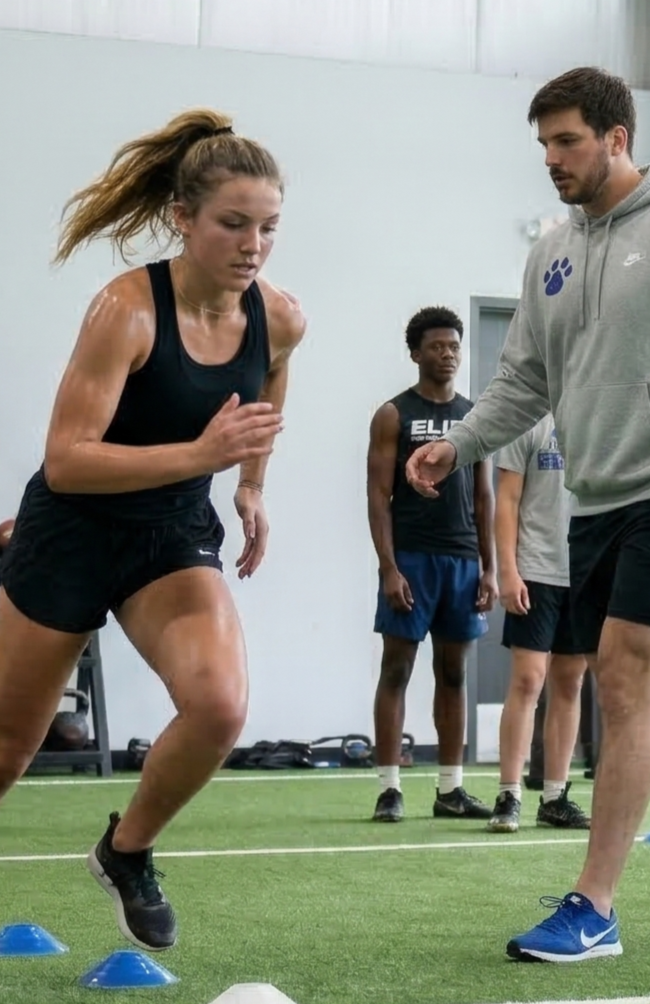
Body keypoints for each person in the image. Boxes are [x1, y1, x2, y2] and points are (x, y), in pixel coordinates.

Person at [0, 109, 305, 989]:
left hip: (169, 536)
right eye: (232, 222)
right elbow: (69, 463)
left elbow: (264, 403)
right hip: (70, 535)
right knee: (2, 752)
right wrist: (199, 456)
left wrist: (251, 486)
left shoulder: (280, 318)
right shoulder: (125, 310)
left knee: (221, 708)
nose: (252, 243)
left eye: (267, 225)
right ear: (182, 219)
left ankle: (126, 848)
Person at [406, 66, 650, 962]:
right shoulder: (550, 249)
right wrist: (458, 444)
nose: (549, 159)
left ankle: (593, 906)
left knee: (622, 676)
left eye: (566, 141)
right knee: (623, 688)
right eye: (542, 144)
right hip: (596, 501)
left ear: (616, 137)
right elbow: (523, 382)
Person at [365, 306, 497, 824]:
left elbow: (484, 498)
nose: (448, 355)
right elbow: (378, 495)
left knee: (454, 672)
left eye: (454, 347)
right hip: (412, 560)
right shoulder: (393, 414)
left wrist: (489, 568)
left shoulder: (474, 418)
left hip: (462, 560)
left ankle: (450, 789)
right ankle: (389, 788)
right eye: (437, 347)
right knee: (396, 668)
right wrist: (388, 567)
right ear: (416, 353)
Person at [488, 412, 591, 834]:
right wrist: (507, 572)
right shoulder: (526, 420)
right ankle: (509, 792)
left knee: (569, 683)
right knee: (528, 681)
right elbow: (507, 499)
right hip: (534, 570)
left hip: (584, 571)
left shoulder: (593, 417)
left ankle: (554, 796)